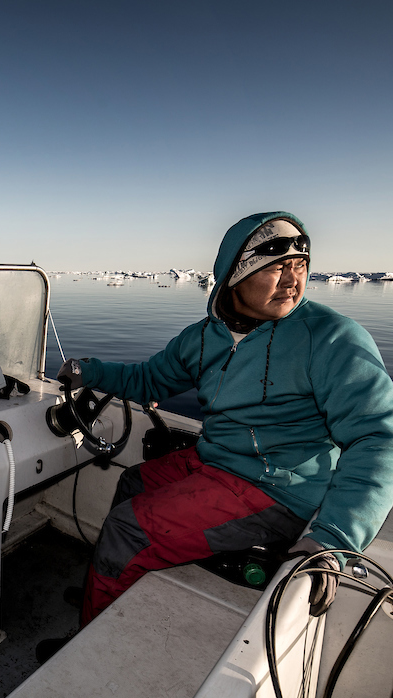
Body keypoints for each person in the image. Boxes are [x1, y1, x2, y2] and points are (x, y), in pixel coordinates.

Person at [38, 211, 393, 663]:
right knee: (132, 485)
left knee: (127, 529)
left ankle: (87, 647)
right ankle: (109, 585)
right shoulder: (203, 338)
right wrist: (91, 370)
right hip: (218, 464)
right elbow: (150, 380)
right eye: (275, 267)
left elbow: (379, 438)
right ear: (234, 275)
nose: (292, 280)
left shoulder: (330, 338)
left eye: (300, 265)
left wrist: (332, 538)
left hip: (278, 490)